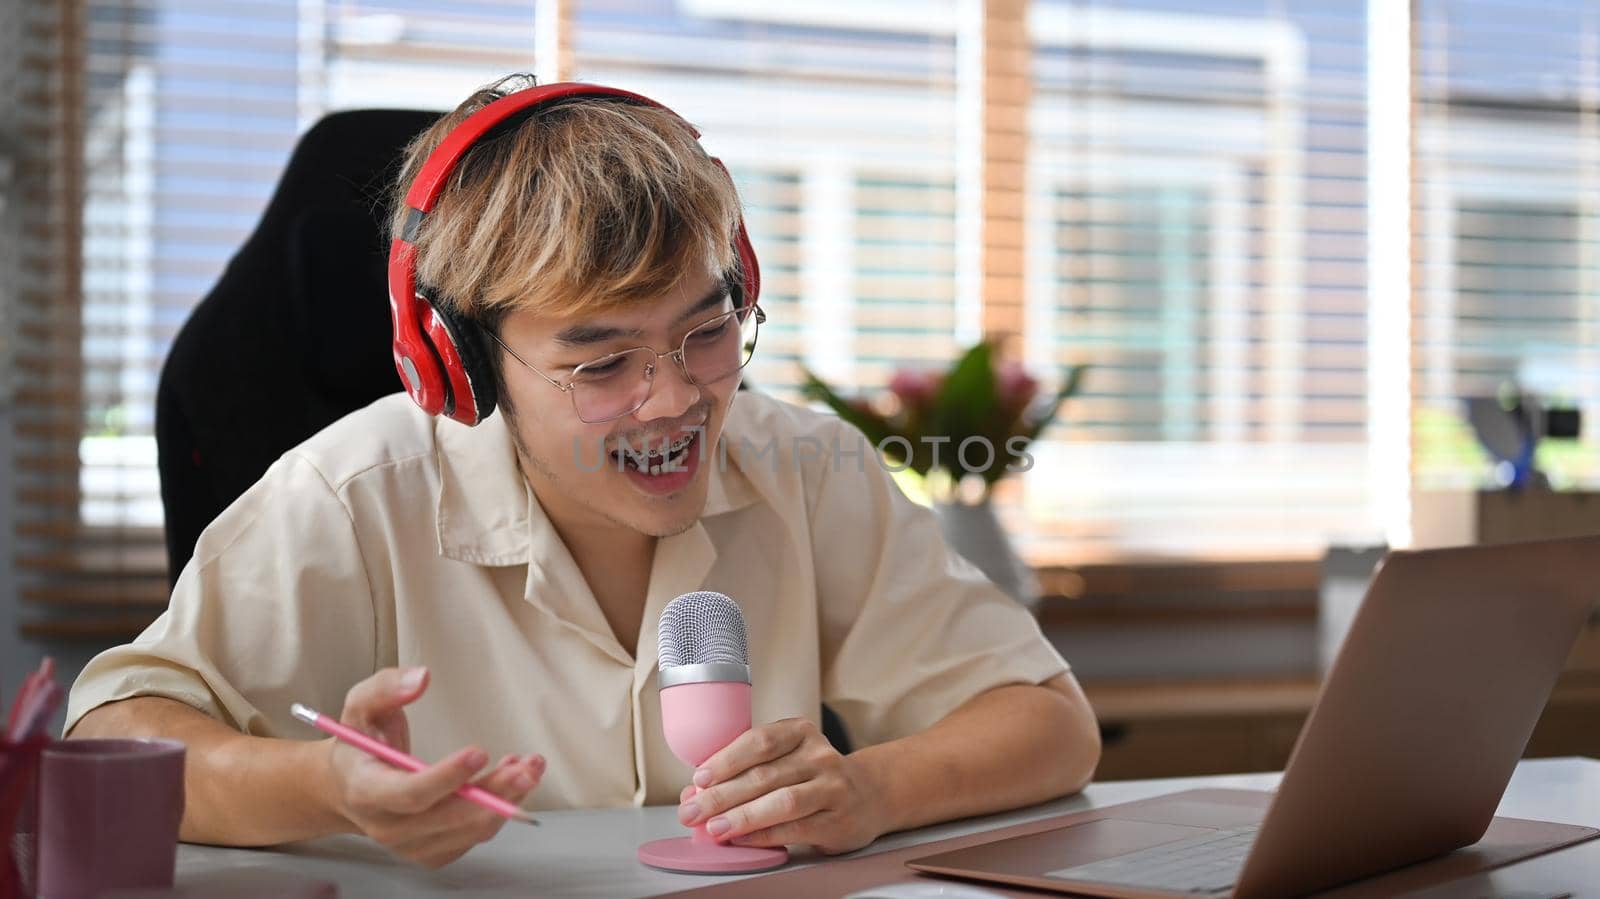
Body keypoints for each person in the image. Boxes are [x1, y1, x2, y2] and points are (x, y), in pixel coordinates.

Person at [65, 75, 1101, 869]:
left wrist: (870, 789)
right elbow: (109, 744)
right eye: (601, 363)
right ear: (463, 362)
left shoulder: (806, 465)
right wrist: (324, 788)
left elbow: (1048, 721)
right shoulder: (351, 493)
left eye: (705, 331)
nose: (674, 397)